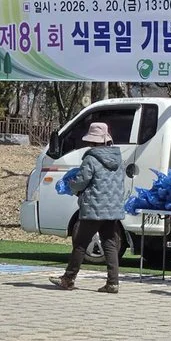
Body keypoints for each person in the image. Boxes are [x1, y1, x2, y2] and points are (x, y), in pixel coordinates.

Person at [50, 122, 125, 293]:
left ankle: (68, 278)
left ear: (92, 142)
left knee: (81, 243)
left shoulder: (91, 159)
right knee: (110, 243)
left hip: (93, 207)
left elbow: (81, 181)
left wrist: (71, 184)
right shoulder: (118, 159)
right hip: (112, 208)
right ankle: (113, 282)